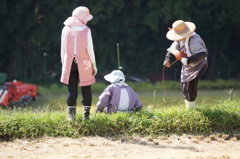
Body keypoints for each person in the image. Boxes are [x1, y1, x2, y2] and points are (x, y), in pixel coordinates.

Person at [60, 6, 97, 120]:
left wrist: (64, 63)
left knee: (72, 88)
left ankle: (71, 115)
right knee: (86, 87)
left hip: (69, 62)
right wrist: (94, 65)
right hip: (85, 62)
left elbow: (63, 50)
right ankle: (86, 115)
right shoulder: (86, 30)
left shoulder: (65, 29)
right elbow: (90, 49)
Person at [163, 20, 208, 109]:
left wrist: (186, 60)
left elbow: (202, 54)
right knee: (183, 86)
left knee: (191, 85)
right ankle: (188, 108)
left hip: (199, 64)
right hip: (187, 65)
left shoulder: (194, 39)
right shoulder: (179, 38)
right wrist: (168, 60)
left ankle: (191, 109)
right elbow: (173, 49)